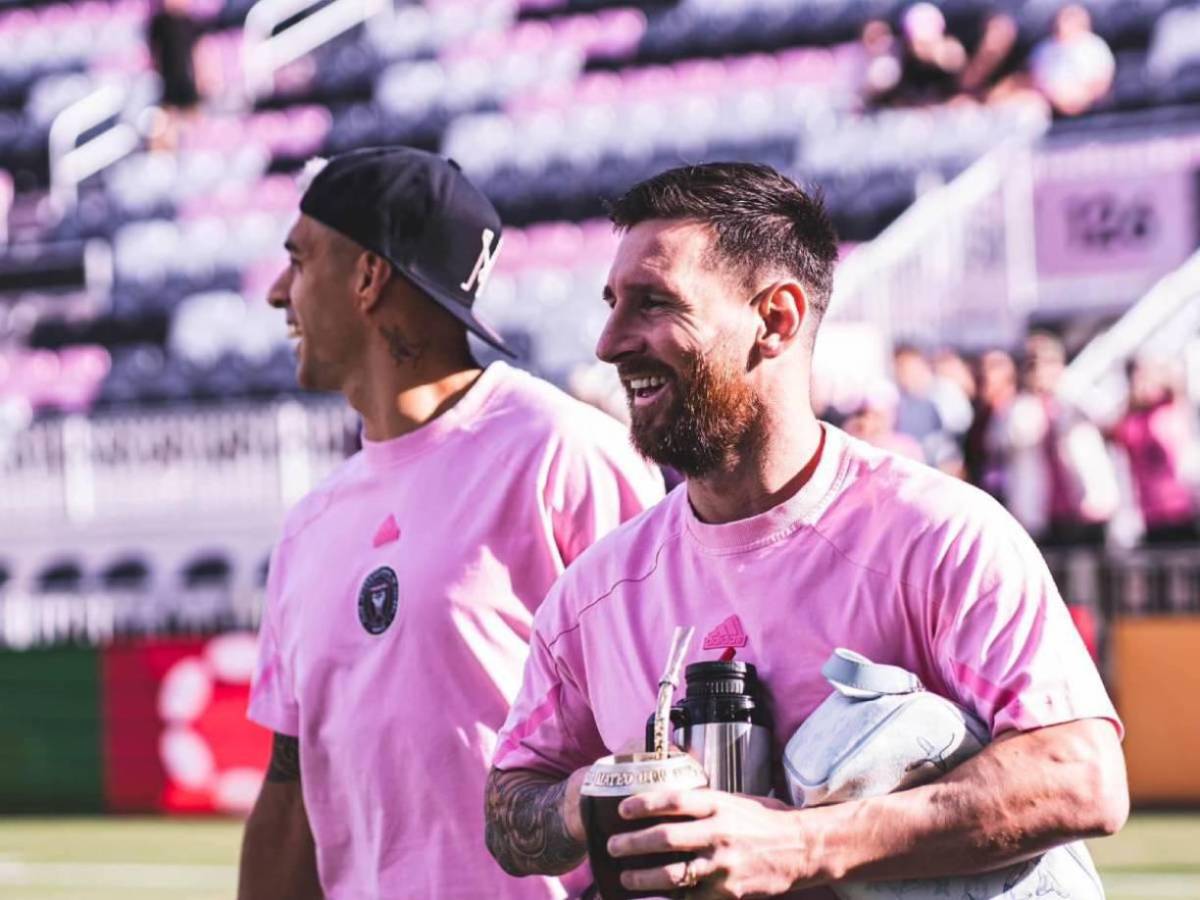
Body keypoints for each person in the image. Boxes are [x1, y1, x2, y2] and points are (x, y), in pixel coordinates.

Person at [484, 163, 1127, 898]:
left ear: (777, 319)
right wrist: (595, 791)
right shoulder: (596, 593)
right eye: (612, 303)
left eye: (653, 302)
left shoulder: (939, 535)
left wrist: (798, 845)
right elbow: (510, 809)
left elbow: (1080, 776)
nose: (608, 342)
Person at [238, 147, 663, 900]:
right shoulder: (308, 525)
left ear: (368, 277)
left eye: (298, 260)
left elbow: (662, 740)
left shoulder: (563, 453)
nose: (279, 293)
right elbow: (291, 789)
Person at [1110, 356, 1199, 546]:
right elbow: (1115, 434)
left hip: (1183, 508)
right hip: (1151, 514)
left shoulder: (1172, 410)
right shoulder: (1133, 422)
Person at [1029, 4, 1115, 117]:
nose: (1063, 25)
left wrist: (1080, 101)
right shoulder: (1042, 50)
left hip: (1090, 106)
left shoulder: (1096, 46)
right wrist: (1059, 101)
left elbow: (1102, 83)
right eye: (1062, 20)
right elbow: (1037, 82)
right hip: (1052, 107)